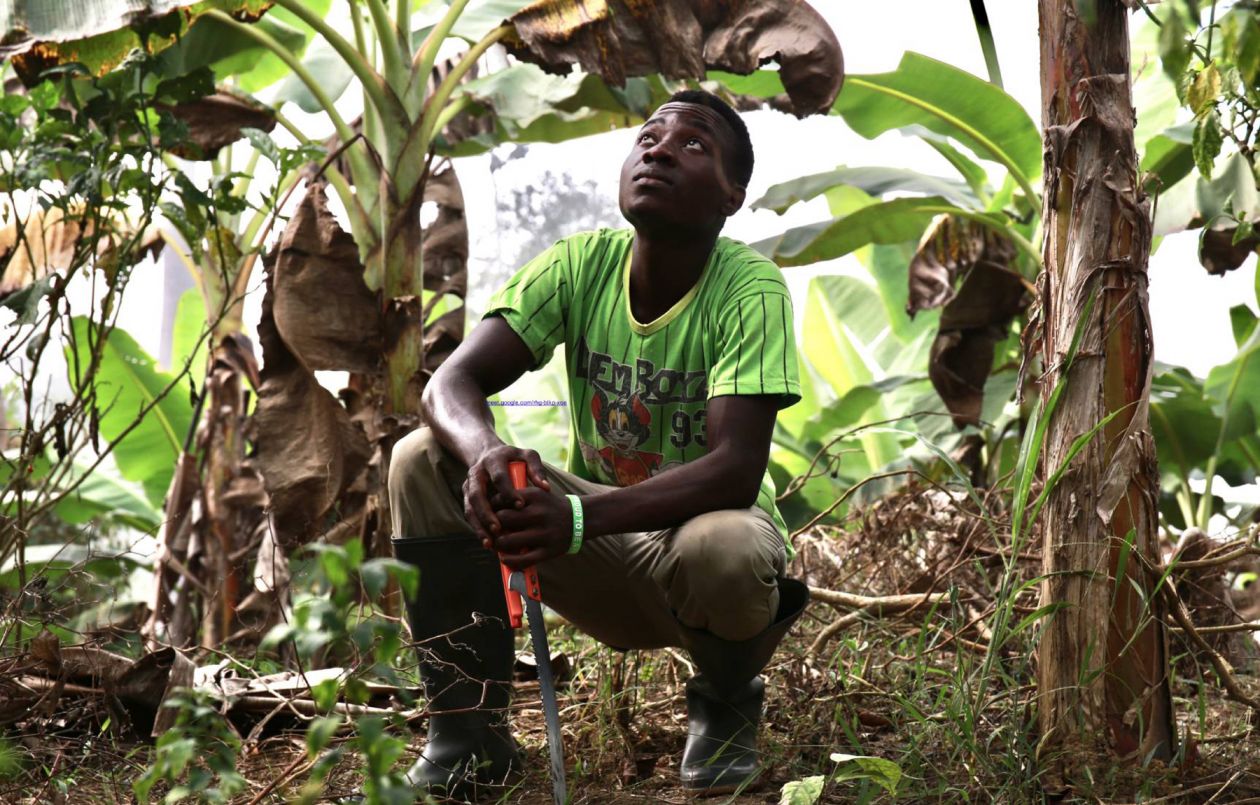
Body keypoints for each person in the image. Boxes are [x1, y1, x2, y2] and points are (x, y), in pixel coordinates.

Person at [387, 89, 808, 800]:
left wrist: (578, 518)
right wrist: (488, 451)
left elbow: (736, 469)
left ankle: (726, 704)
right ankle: (468, 730)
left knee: (726, 546)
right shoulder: (580, 265)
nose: (661, 148)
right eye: (649, 136)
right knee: (421, 458)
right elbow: (449, 384)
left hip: (685, 554)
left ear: (733, 195)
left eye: (695, 144)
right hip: (596, 548)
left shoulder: (749, 289)